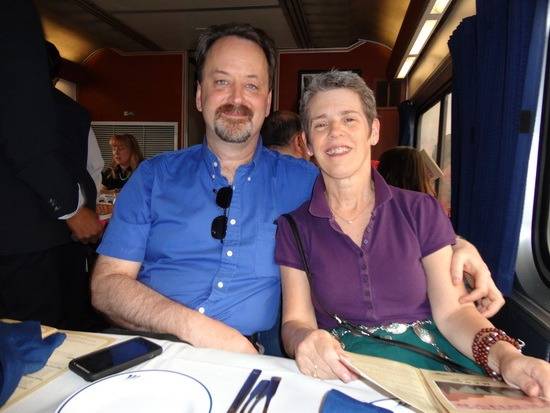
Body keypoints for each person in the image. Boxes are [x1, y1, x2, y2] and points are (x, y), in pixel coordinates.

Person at [91, 23, 502, 355]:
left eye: (251, 85)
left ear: (267, 101)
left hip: (254, 355)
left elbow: (374, 209)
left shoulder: (307, 181)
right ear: (199, 95)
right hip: (148, 345)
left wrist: (455, 244)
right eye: (221, 82)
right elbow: (107, 285)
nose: (237, 98)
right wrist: (196, 329)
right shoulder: (152, 177)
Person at [275, 70, 550, 397]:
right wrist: (307, 340)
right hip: (349, 376)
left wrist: (505, 358)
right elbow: (294, 322)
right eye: (320, 124)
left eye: (349, 119)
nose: (335, 133)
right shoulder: (293, 227)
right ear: (306, 143)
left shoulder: (421, 210)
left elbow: (454, 311)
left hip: (433, 367)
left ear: (373, 130)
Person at [0, 3, 103, 329]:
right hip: (41, 238)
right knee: (44, 331)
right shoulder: (73, 112)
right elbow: (93, 169)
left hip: (26, 239)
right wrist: (75, 209)